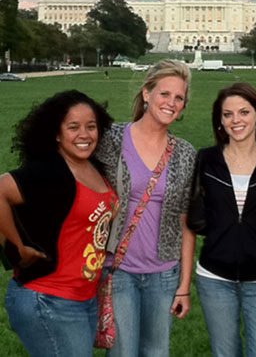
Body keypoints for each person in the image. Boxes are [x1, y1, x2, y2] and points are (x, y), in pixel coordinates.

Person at [0, 90, 117, 357]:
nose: (84, 135)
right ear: (57, 133)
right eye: (73, 127)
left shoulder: (92, 166)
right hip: (49, 298)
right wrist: (18, 245)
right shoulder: (49, 171)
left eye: (91, 126)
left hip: (82, 298)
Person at [94, 59, 196, 357]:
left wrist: (184, 285)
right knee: (123, 352)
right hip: (119, 268)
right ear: (147, 94)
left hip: (163, 274)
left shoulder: (185, 153)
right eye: (164, 94)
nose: (171, 103)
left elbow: (185, 222)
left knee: (156, 352)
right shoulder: (111, 138)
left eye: (179, 98)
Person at [187, 83, 256, 357]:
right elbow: (192, 215)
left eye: (244, 112)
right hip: (214, 277)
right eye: (227, 114)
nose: (236, 121)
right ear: (220, 120)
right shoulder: (206, 159)